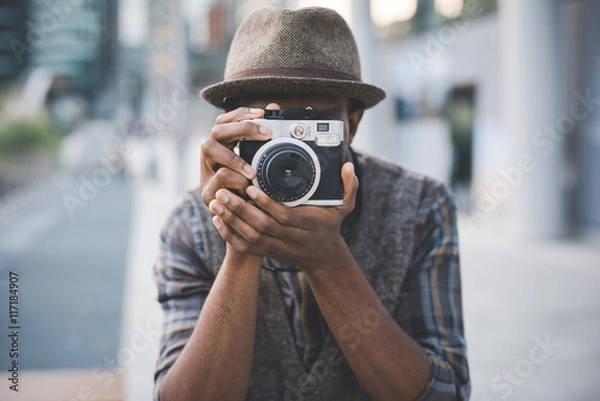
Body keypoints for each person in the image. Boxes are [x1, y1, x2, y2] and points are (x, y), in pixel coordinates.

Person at [153, 6, 470, 401]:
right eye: (272, 127)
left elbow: (445, 395)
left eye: (311, 128)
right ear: (233, 127)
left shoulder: (421, 207)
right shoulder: (191, 224)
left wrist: (328, 261)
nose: (292, 152)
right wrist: (241, 245)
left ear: (351, 126)